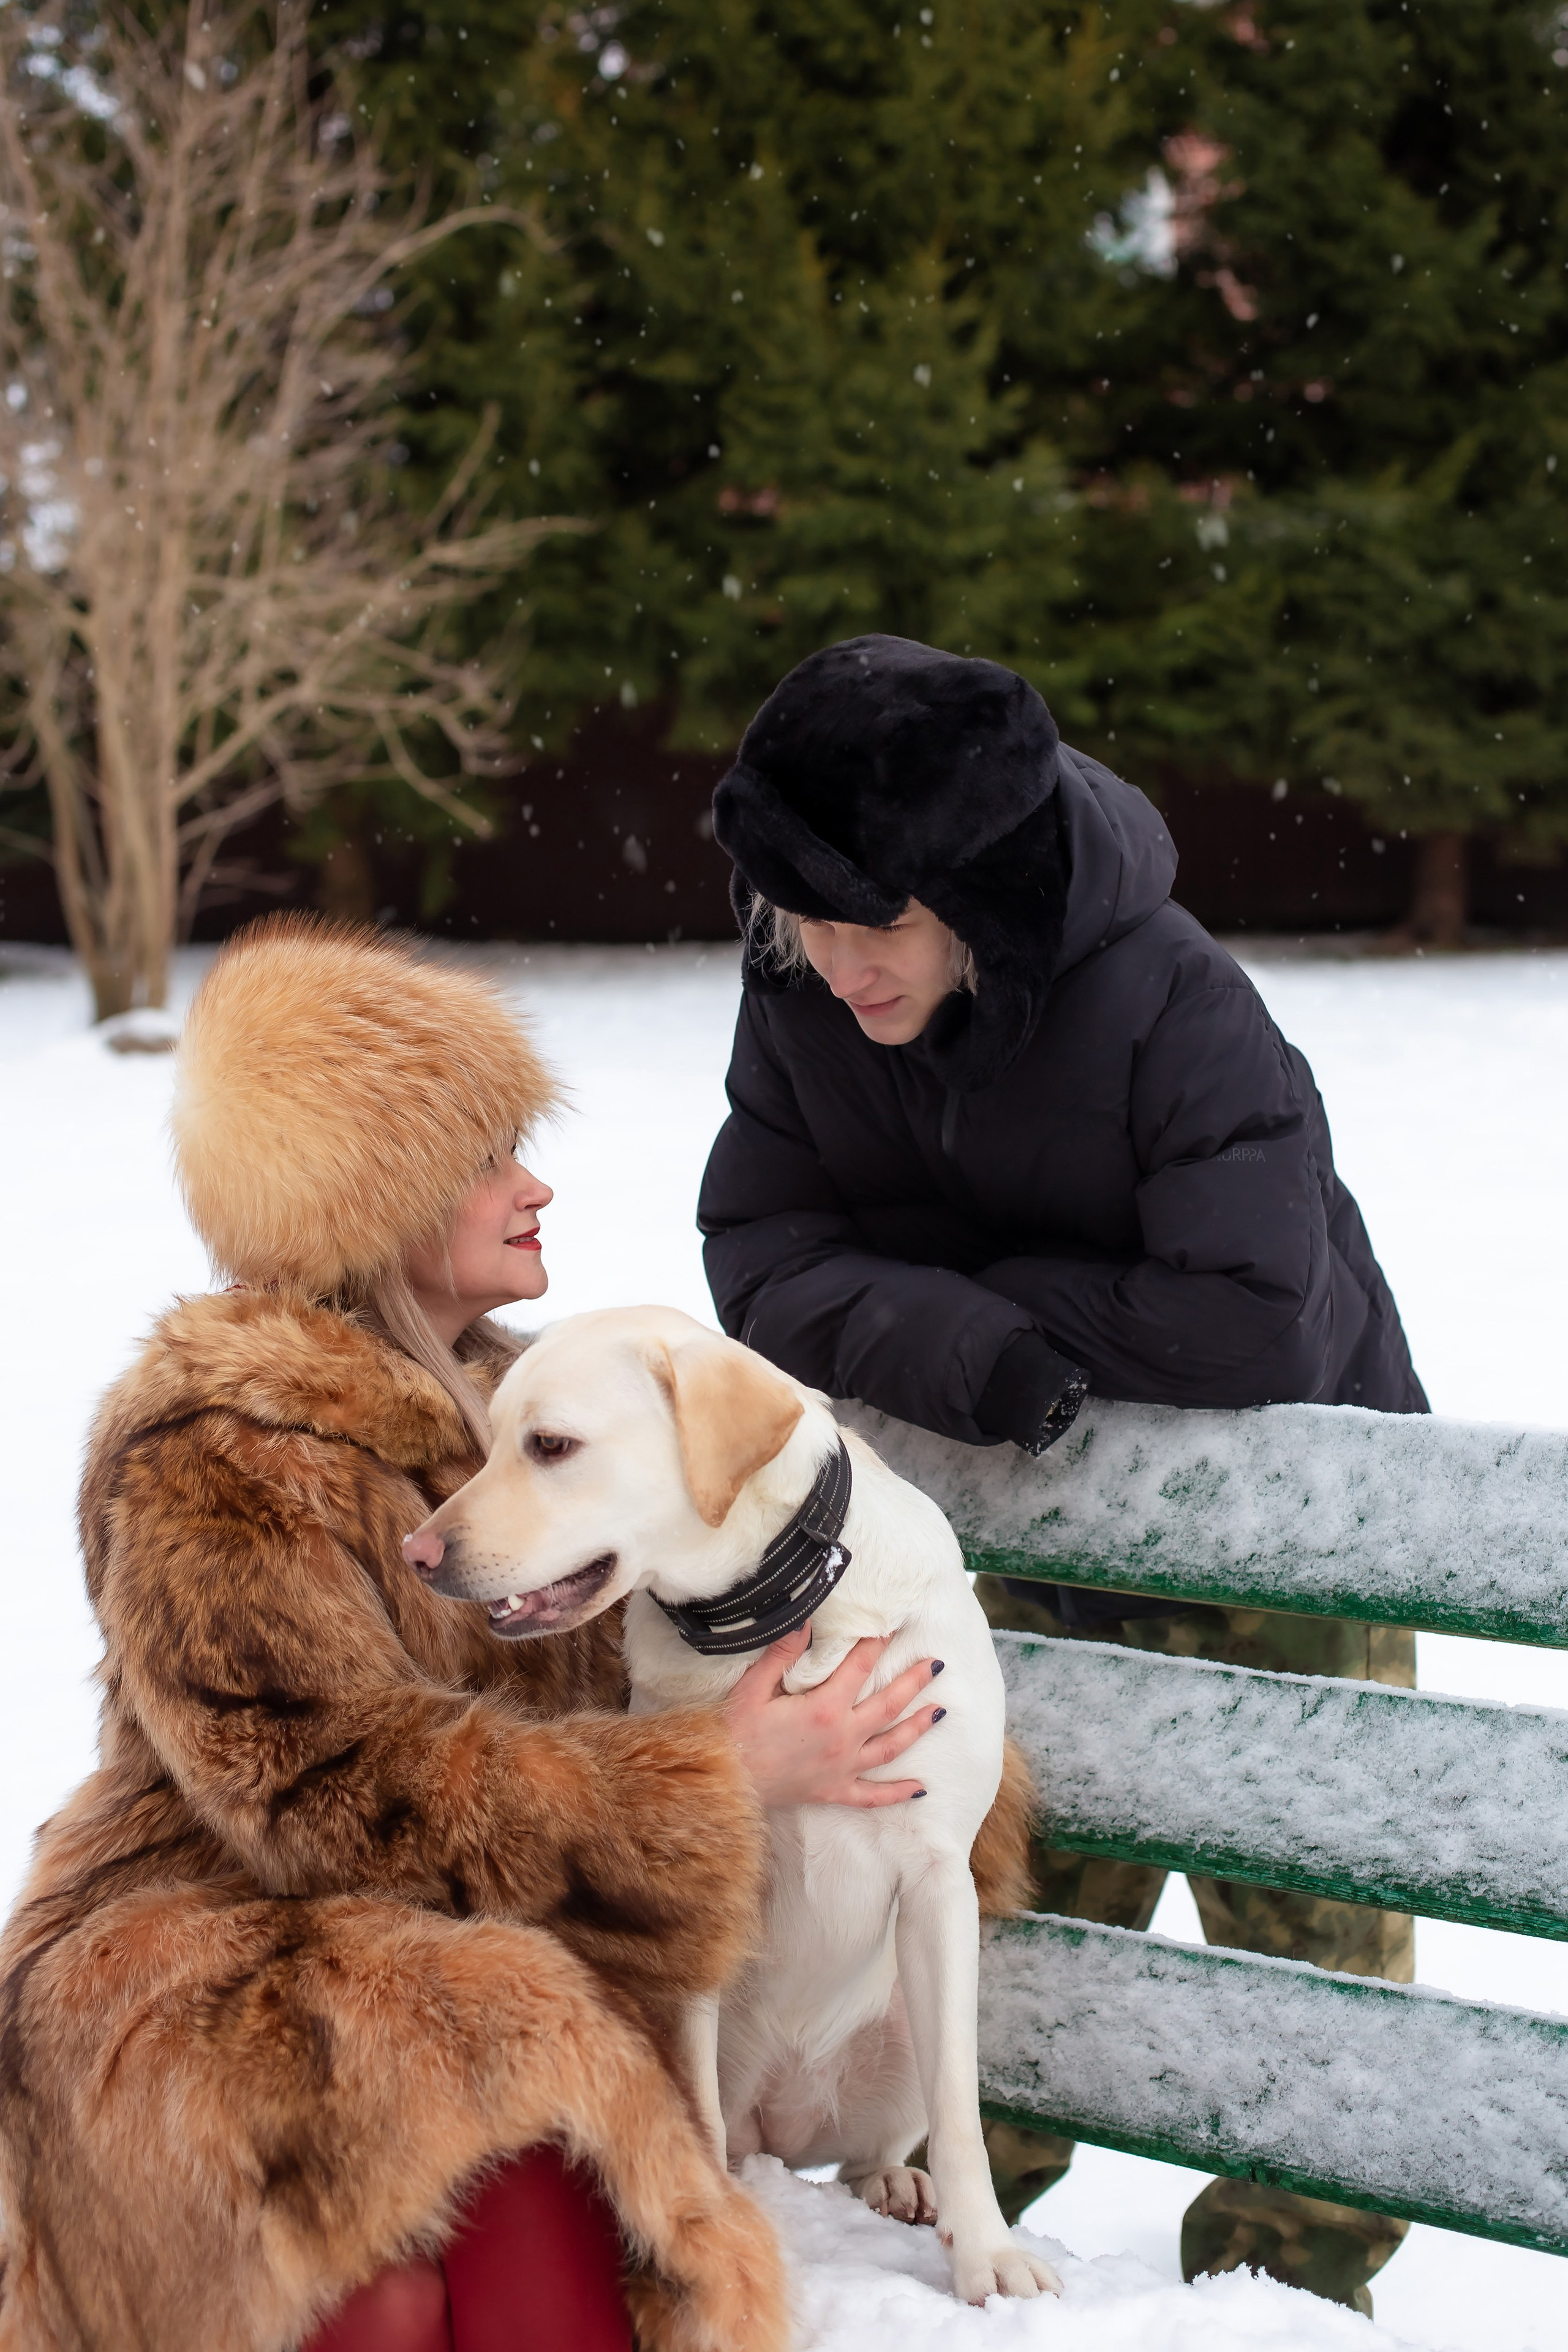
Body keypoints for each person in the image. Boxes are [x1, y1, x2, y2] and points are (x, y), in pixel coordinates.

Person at [0, 916, 948, 2352]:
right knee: (382, 2284)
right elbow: (325, 1793)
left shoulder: (530, 1407)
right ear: (371, 1198)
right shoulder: (220, 1440)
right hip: (214, 1966)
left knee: (547, 2241)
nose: (537, 1183)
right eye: (490, 1155)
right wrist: (715, 1778)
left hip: (466, 1962)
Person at [697, 633, 1428, 2320]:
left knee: (1305, 1951)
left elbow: (1252, 1315)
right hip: (1014, 1521)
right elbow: (759, 1249)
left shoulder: (1172, 1000)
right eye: (797, 915)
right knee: (1002, 1920)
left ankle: (1279, 2295)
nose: (828, 961)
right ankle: (939, 2239)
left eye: (870, 919)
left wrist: (992, 1325)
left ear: (976, 885)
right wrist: (982, 1360)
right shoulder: (805, 990)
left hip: (1283, 1542)